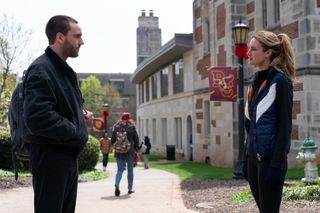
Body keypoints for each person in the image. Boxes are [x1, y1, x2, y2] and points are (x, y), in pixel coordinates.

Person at [23, 15, 93, 213]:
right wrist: (74, 130)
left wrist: (81, 116)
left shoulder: (61, 69)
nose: (82, 41)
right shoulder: (41, 69)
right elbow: (38, 117)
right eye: (77, 36)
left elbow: (60, 108)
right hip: (51, 159)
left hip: (65, 158)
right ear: (60, 37)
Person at [243, 30, 296, 213]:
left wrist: (277, 164)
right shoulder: (254, 83)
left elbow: (285, 127)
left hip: (270, 162)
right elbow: (251, 126)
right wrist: (246, 158)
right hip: (253, 160)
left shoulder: (281, 82)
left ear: (268, 53)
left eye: (253, 49)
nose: (248, 53)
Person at [111, 112, 139, 196]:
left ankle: (117, 184)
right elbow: (136, 140)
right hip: (129, 151)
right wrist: (136, 149)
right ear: (129, 119)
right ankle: (130, 189)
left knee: (119, 170)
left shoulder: (116, 127)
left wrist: (117, 146)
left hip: (119, 152)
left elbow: (112, 141)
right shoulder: (132, 127)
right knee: (130, 171)